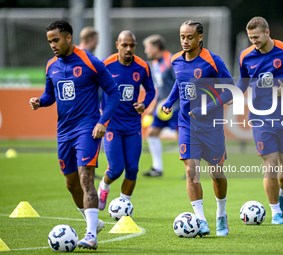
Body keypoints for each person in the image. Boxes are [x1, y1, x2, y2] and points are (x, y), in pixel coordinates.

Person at [29, 20, 120, 250]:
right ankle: (94, 222)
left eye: (56, 40)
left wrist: (102, 121)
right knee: (71, 183)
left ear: (68, 38)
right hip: (64, 131)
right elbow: (51, 95)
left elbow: (113, 92)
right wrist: (40, 101)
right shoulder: (51, 65)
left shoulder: (91, 61)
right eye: (49, 41)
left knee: (86, 178)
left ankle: (91, 234)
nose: (52, 45)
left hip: (87, 128)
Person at [162, 20, 234, 237]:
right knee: (190, 171)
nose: (185, 41)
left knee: (216, 173)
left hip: (212, 126)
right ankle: (201, 220)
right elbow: (179, 82)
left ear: (200, 37)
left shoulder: (213, 61)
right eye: (182, 37)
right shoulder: (175, 60)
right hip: (186, 124)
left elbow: (230, 91)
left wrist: (207, 107)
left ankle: (221, 214)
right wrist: (169, 101)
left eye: (189, 37)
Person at [236, 17, 283, 224]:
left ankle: (281, 193)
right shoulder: (245, 56)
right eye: (251, 38)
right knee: (270, 164)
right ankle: (275, 212)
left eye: (257, 37)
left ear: (267, 33)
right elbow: (243, 80)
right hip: (260, 117)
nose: (254, 42)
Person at [97, 30, 155, 210]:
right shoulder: (105, 65)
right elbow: (94, 90)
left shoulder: (142, 67)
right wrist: (100, 114)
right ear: (117, 45)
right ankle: (104, 187)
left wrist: (144, 103)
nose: (128, 49)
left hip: (133, 125)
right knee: (115, 169)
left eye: (131, 45)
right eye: (124, 45)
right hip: (112, 125)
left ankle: (123, 205)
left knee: (132, 169)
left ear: (135, 46)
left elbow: (151, 90)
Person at [142, 34, 179, 177]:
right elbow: (160, 87)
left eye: (147, 48)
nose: (146, 51)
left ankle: (192, 170)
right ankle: (157, 169)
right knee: (151, 133)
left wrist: (171, 101)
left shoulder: (171, 61)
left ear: (156, 47)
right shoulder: (156, 64)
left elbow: (180, 84)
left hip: (176, 106)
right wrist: (153, 106)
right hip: (162, 107)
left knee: (181, 138)